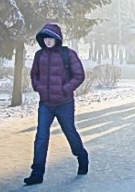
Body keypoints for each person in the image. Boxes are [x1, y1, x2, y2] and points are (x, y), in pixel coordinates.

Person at [24, 23, 88, 186]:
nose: (48, 41)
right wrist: (38, 87)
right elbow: (34, 75)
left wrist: (65, 89)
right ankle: (37, 172)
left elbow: (79, 75)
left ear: (57, 39)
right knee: (41, 137)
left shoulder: (68, 54)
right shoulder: (39, 55)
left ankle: (81, 155)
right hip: (45, 104)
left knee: (70, 132)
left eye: (51, 38)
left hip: (64, 103)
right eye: (45, 38)